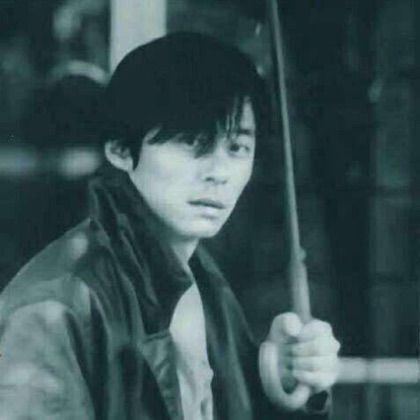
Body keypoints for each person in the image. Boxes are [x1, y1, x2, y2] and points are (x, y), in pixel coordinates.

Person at [0, 32, 340, 419]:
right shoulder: (54, 307)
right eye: (192, 143)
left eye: (236, 148)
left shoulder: (202, 282)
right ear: (121, 150)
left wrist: (281, 389)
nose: (219, 172)